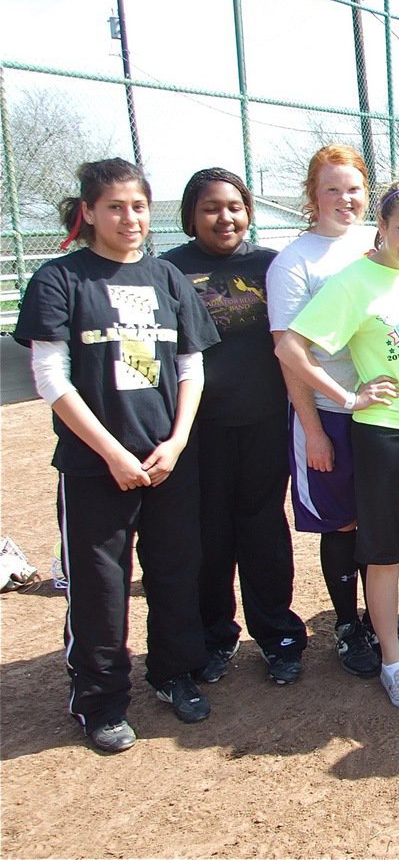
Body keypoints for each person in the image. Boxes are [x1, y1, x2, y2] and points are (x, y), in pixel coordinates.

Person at [14, 158, 220, 753]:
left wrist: (177, 441)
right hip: (95, 466)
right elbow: (51, 378)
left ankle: (174, 673)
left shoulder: (167, 277)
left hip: (166, 460)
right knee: (101, 586)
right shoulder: (62, 279)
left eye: (137, 206)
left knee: (176, 570)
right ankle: (99, 699)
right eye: (114, 207)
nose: (129, 218)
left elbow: (190, 366)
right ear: (88, 213)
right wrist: (109, 452)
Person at [276, 179, 399, 710]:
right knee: (383, 554)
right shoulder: (353, 280)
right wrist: (345, 395)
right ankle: (390, 659)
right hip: (386, 436)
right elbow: (291, 346)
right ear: (380, 227)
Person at [162, 168, 307, 685]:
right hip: (198, 429)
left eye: (235, 206)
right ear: (190, 216)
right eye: (210, 208)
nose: (225, 218)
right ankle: (214, 635)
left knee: (264, 528)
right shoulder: (168, 270)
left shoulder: (270, 266)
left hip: (264, 422)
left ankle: (277, 634)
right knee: (209, 535)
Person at [267, 144, 399, 679]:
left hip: (386, 415)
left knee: (380, 523)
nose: (345, 199)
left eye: (354, 189)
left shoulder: (380, 248)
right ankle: (349, 626)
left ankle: (380, 619)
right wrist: (316, 429)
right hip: (331, 412)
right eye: (332, 189)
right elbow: (288, 355)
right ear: (312, 195)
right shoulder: (294, 262)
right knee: (341, 525)